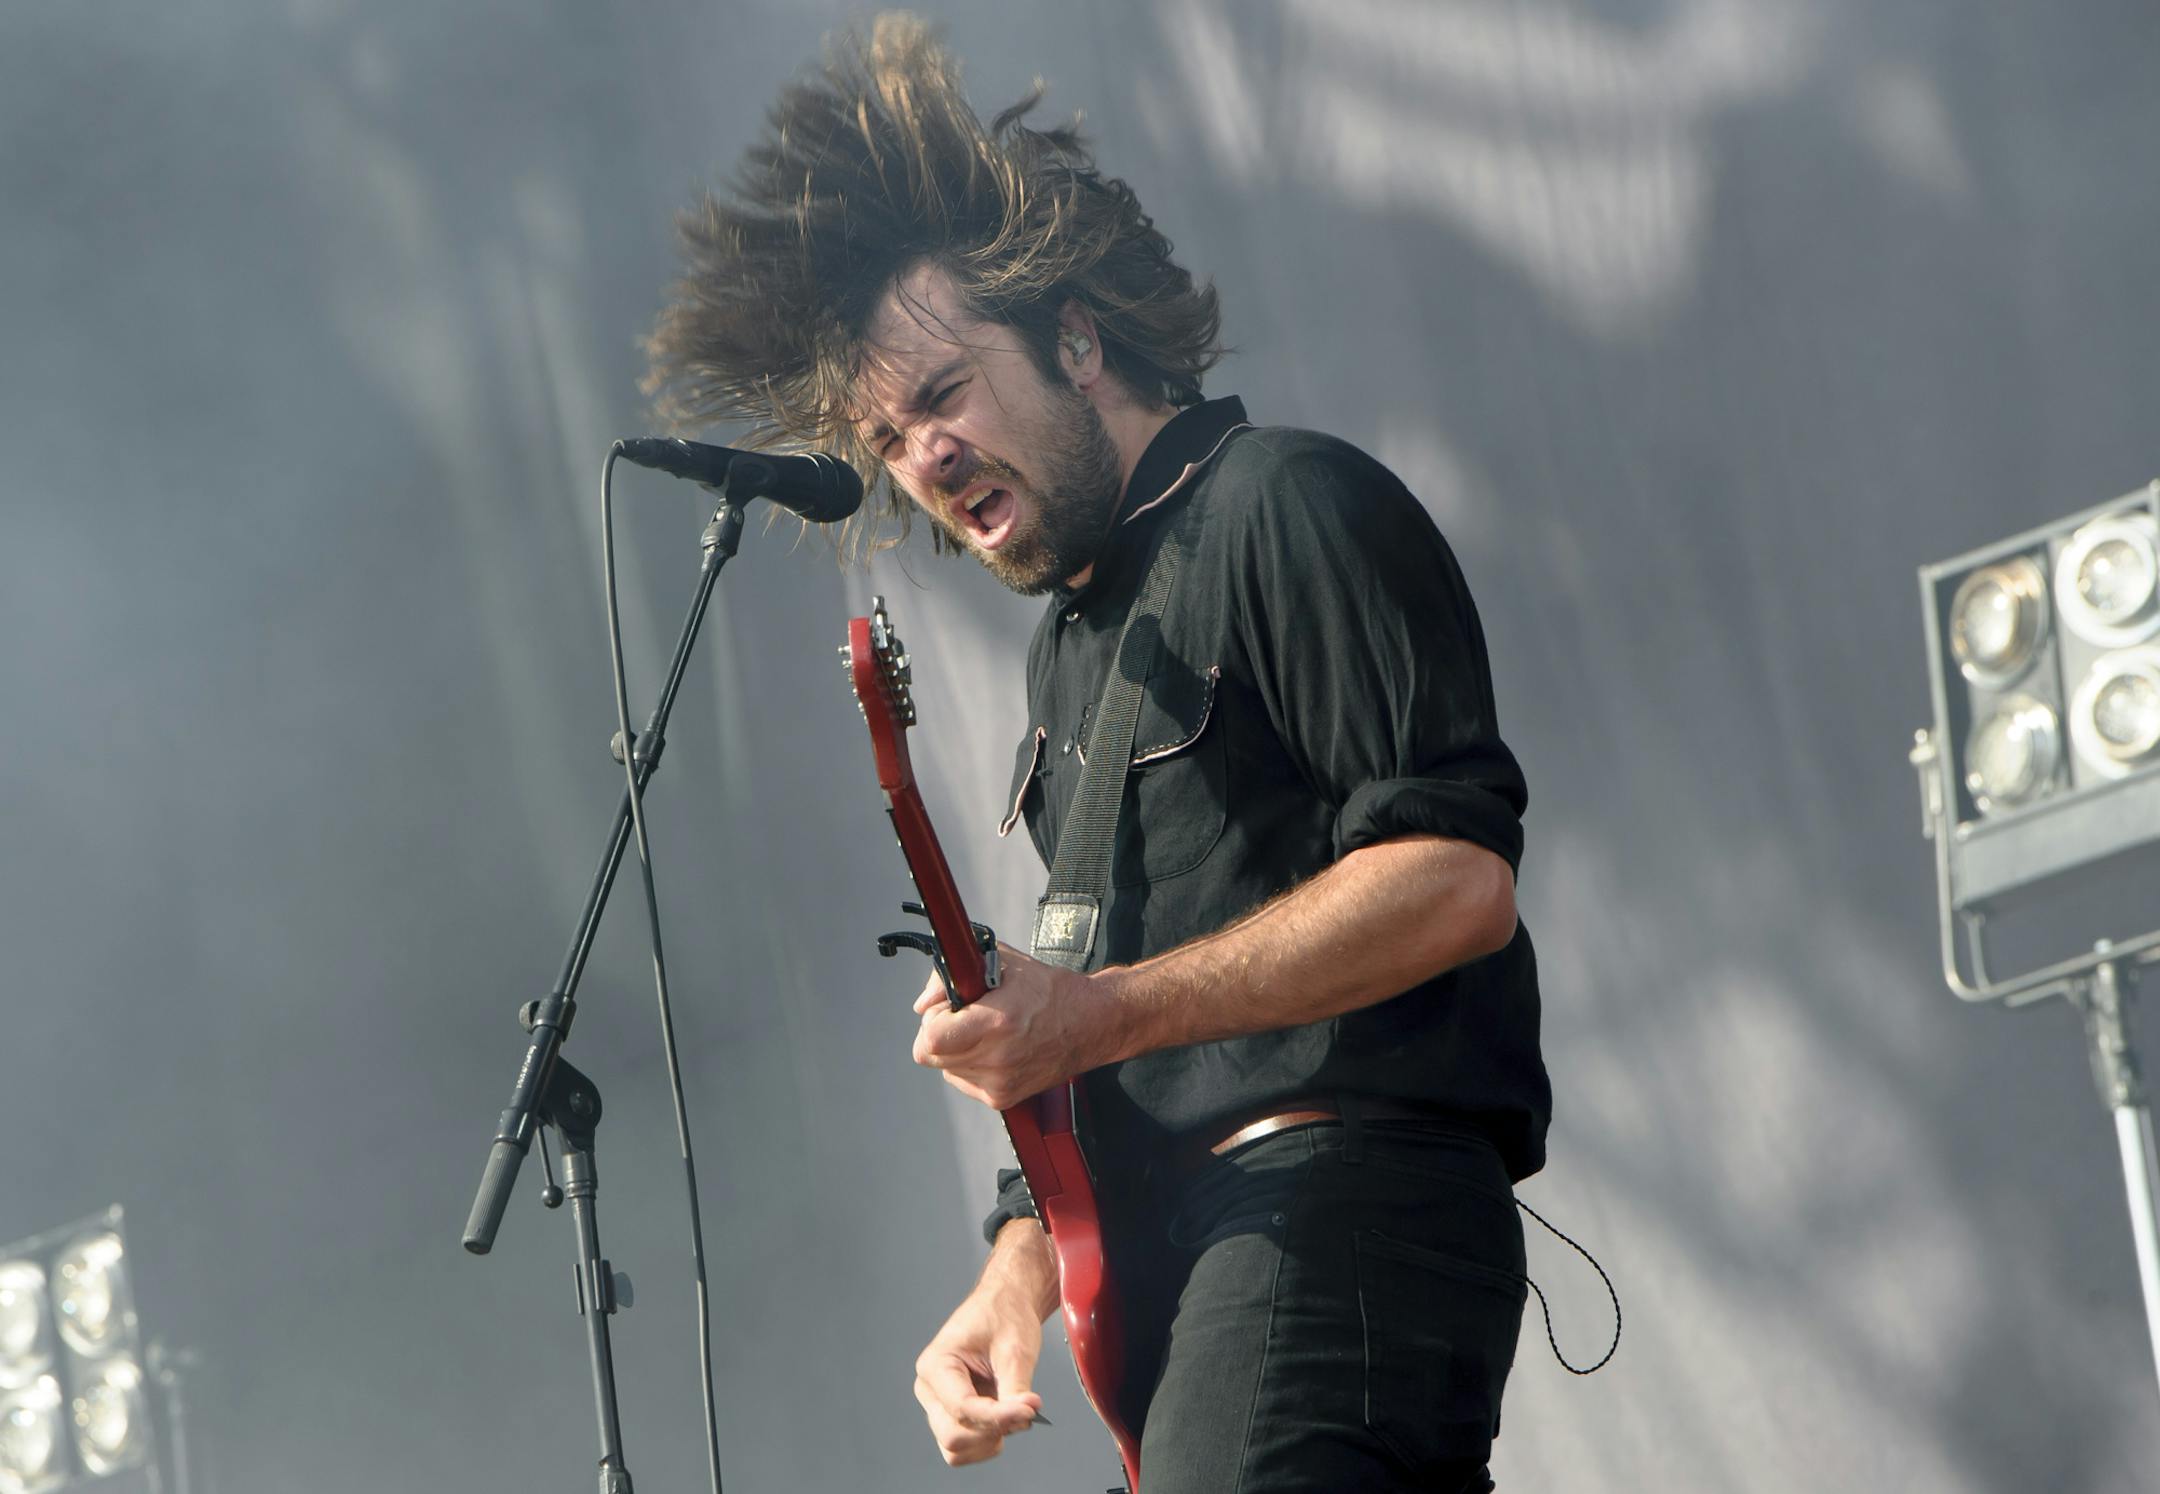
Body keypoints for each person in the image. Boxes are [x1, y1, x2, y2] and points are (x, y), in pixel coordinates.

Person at [644, 17, 1550, 1492]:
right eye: (888, 439)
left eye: (942, 395)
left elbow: (1456, 882)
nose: (923, 458)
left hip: (1340, 1208)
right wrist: (1015, 1266)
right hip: (1200, 1250)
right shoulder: (1078, 647)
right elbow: (1092, 1022)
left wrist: (1098, 1012)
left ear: (1073, 336)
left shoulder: (1286, 503)